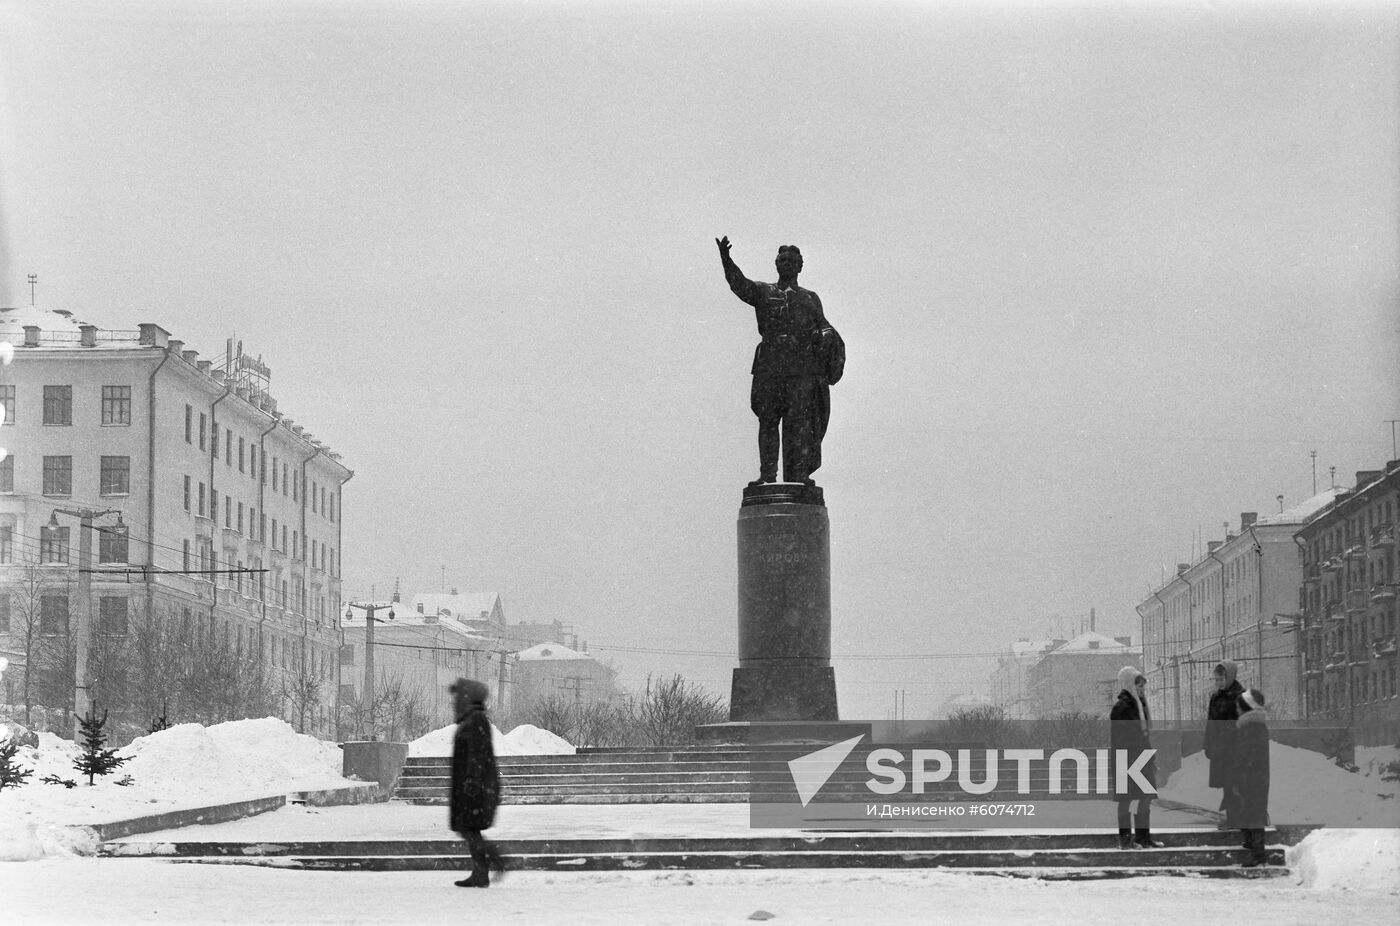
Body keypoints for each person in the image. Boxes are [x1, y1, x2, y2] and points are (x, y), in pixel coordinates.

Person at [716, 236, 843, 486]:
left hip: (800, 370)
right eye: (782, 260)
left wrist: (827, 335)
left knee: (799, 426)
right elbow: (740, 285)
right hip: (770, 367)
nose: (786, 264)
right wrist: (726, 260)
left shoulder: (809, 298)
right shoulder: (764, 291)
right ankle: (767, 475)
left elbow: (824, 326)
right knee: (768, 421)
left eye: (791, 260)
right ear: (777, 264)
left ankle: (798, 476)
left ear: (799, 266)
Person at [448, 677, 505, 888]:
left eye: (458, 696)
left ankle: (493, 864)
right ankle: (482, 870)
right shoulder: (471, 719)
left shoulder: (476, 720)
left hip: (475, 786)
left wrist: (472, 779)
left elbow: (477, 753)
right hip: (472, 785)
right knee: (468, 829)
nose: (454, 701)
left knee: (468, 829)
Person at [1110, 666, 1163, 850]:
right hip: (1127, 759)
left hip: (1140, 757)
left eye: (1143, 687)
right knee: (1126, 799)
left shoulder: (1138, 706)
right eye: (1139, 686)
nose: (1142, 690)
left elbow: (1143, 735)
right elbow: (1121, 738)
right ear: (1129, 685)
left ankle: (1142, 837)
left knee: (1146, 796)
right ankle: (1125, 840)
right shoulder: (1122, 707)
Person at [1233, 687, 1272, 867]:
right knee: (1249, 811)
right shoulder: (1251, 725)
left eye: (1239, 706)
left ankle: (1258, 854)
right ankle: (1253, 845)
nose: (1237, 709)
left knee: (1254, 813)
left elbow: (1247, 756)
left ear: (1246, 707)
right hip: (1253, 777)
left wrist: (1242, 774)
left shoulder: (1252, 727)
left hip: (1253, 778)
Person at [1205, 660, 1244, 826]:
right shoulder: (1215, 697)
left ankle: (1237, 818)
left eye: (1221, 679)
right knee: (1227, 785)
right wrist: (1208, 744)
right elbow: (1211, 723)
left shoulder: (1241, 696)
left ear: (1230, 677)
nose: (1219, 683)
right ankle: (1233, 818)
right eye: (1216, 680)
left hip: (1235, 748)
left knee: (1235, 784)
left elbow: (1244, 723)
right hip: (1220, 748)